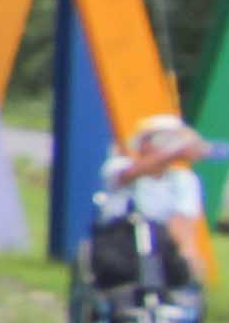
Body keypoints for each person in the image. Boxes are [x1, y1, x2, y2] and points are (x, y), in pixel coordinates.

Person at [82, 112, 219, 304]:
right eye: (161, 138)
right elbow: (128, 175)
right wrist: (175, 151)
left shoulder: (185, 180)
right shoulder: (118, 166)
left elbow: (183, 222)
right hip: (119, 241)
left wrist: (190, 257)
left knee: (183, 270)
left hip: (162, 245)